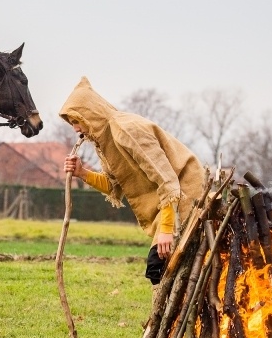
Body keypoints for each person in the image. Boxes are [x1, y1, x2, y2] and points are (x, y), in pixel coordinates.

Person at [59, 76, 204, 295]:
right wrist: (82, 173)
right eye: (71, 123)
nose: (76, 128)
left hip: (186, 195)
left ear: (90, 114)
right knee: (161, 270)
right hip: (168, 203)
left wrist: (166, 229)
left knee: (159, 267)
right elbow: (114, 186)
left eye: (76, 120)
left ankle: (177, 316)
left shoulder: (126, 129)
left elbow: (168, 179)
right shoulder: (104, 141)